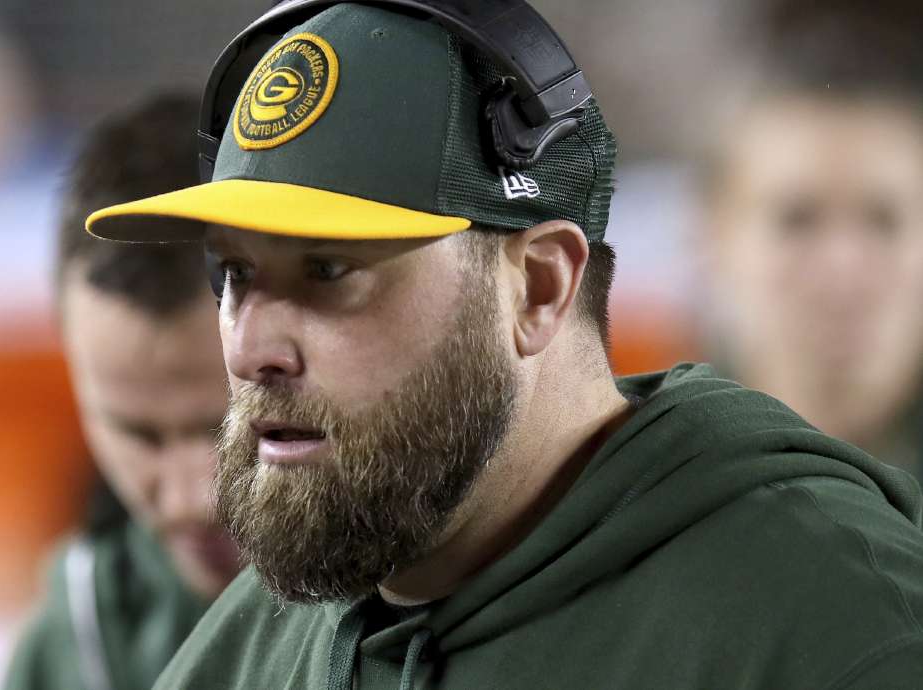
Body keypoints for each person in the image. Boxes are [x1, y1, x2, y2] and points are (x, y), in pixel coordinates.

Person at [85, 3, 923, 688]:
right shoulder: (241, 656)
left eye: (331, 270)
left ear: (540, 288)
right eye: (233, 273)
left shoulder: (836, 624)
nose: (247, 345)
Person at [3, 93, 241, 690]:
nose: (192, 499)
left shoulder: (425, 594)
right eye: (137, 433)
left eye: (228, 428)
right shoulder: (78, 643)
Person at [698, 0, 923, 480]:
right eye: (797, 219)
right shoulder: (632, 487)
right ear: (711, 237)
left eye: (884, 220)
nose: (844, 272)